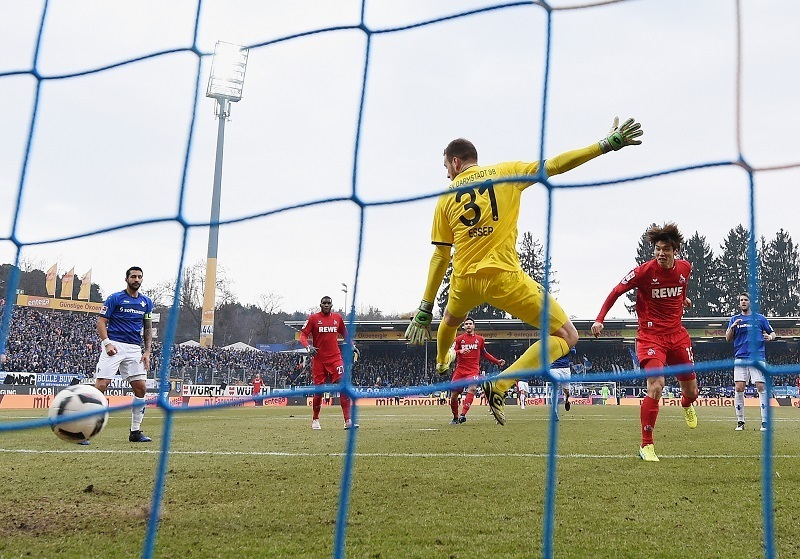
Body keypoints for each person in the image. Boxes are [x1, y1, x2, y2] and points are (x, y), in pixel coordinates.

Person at [405, 116, 644, 425]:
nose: (447, 173)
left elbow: (440, 255)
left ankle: (440, 362)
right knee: (567, 335)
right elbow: (555, 165)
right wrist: (603, 146)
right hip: (503, 277)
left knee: (450, 320)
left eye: (446, 168)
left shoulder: (444, 198)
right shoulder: (506, 173)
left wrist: (425, 307)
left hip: (464, 280)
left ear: (454, 162)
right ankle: (499, 384)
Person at [591, 223, 698, 462]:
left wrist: (683, 300)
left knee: (692, 392)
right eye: (658, 249)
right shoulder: (644, 272)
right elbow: (616, 291)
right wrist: (600, 319)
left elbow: (679, 288)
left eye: (666, 249)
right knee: (656, 384)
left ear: (675, 251)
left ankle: (686, 403)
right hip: (651, 337)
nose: (661, 253)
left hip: (678, 336)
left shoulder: (685, 268)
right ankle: (646, 445)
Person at [93, 266, 154, 444]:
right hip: (115, 345)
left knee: (141, 388)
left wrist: (148, 351)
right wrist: (107, 343)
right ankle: (85, 428)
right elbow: (101, 322)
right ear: (126, 279)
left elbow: (148, 327)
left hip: (134, 348)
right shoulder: (115, 298)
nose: (136, 279)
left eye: (139, 277)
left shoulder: (146, 302)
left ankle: (135, 431)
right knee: (101, 386)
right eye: (133, 276)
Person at [299, 296, 359, 430]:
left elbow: (345, 334)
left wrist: (352, 345)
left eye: (328, 303)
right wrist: (308, 347)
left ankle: (347, 421)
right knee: (319, 391)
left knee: (343, 387)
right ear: (320, 304)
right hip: (319, 360)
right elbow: (303, 335)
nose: (326, 305)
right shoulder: (313, 318)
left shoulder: (337, 318)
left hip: (335, 359)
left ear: (332, 305)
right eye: (324, 303)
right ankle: (315, 419)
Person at [725, 292, 776, 431]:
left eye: (746, 300)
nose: (743, 302)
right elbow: (728, 338)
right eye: (741, 300)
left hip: (757, 357)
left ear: (750, 302)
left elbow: (773, 333)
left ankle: (765, 422)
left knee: (761, 387)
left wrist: (770, 337)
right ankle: (740, 421)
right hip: (740, 357)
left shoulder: (760, 319)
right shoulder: (735, 319)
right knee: (739, 388)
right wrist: (733, 327)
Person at [446, 317, 505, 424]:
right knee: (454, 396)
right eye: (466, 324)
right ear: (464, 326)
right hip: (460, 370)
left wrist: (497, 361)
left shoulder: (480, 339)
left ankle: (463, 415)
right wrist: (460, 351)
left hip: (473, 370)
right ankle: (455, 417)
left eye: (470, 324)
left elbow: (484, 353)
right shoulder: (459, 339)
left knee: (472, 389)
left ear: (474, 326)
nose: (468, 325)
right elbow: (451, 352)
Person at [549, 347, 576, 419]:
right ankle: (554, 411)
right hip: (553, 367)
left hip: (565, 368)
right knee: (556, 387)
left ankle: (566, 400)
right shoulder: (551, 340)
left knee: (567, 391)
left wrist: (567, 348)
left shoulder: (567, 340)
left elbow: (574, 352)